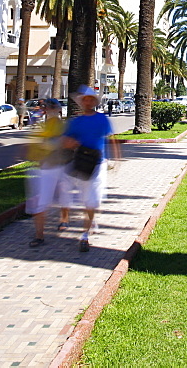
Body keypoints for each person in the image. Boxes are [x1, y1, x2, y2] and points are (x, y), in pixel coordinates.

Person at [63, 86, 122, 252]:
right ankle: (90, 220)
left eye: (90, 99)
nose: (88, 102)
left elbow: (112, 138)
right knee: (87, 200)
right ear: (82, 102)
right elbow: (65, 141)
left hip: (98, 164)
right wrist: (70, 144)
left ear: (94, 102)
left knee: (92, 200)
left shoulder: (102, 119)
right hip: (81, 164)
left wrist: (117, 159)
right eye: (85, 100)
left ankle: (84, 235)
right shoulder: (76, 122)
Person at [23, 98, 74, 248]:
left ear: (59, 110)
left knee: (64, 195)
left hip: (62, 166)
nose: (49, 109)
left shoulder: (63, 126)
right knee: (40, 202)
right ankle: (39, 235)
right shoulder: (41, 126)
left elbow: (67, 144)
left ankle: (64, 220)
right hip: (44, 168)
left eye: (52, 107)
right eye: (46, 107)